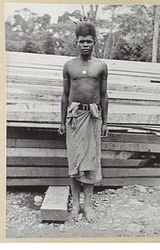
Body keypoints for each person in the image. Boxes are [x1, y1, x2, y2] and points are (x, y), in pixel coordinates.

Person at [58, 20, 109, 222]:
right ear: (76, 43)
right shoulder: (69, 66)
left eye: (89, 41)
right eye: (81, 41)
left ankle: (88, 205)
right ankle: (76, 204)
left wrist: (105, 122)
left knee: (91, 160)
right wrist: (61, 121)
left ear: (94, 42)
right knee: (75, 160)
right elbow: (64, 95)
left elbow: (104, 95)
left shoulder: (101, 66)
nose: (85, 45)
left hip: (93, 116)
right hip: (74, 117)